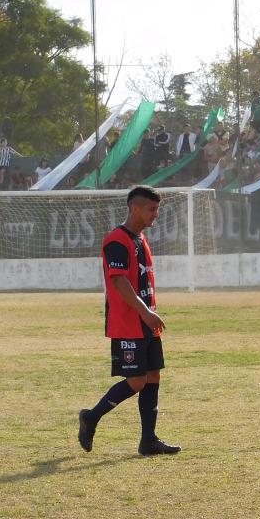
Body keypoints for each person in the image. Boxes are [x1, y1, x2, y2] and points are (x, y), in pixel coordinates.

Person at [77, 185, 180, 457]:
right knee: (136, 381)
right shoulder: (117, 240)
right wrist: (145, 311)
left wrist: (149, 313)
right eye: (152, 209)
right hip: (128, 322)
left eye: (157, 209)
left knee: (153, 375)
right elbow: (119, 280)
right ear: (135, 208)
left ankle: (149, 440)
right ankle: (91, 416)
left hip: (146, 321)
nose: (156, 214)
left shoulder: (140, 239)